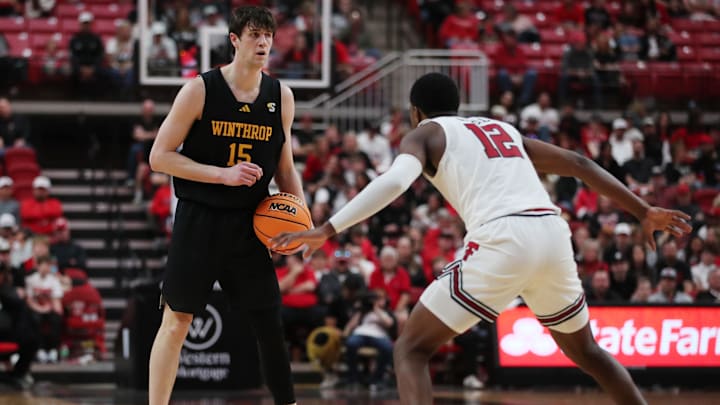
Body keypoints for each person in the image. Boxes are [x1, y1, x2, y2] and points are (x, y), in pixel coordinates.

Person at [272, 72, 692, 405]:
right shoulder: (500, 128)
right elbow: (578, 162)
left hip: (503, 236)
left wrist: (327, 229)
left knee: (411, 350)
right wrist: (643, 210)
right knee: (590, 354)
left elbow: (396, 181)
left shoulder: (427, 133)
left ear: (416, 112)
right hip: (551, 232)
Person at [147, 6, 304, 405]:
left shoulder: (280, 96)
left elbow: (285, 168)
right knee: (177, 321)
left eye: (268, 35)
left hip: (251, 224)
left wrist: (302, 220)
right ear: (234, 40)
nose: (264, 42)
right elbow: (160, 157)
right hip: (200, 219)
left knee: (269, 322)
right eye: (254, 34)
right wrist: (223, 174)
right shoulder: (200, 90)